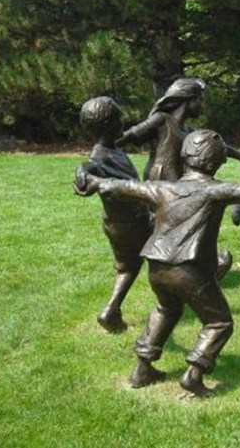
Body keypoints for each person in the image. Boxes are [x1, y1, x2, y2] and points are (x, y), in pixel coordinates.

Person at [74, 129, 240, 397]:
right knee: (219, 323)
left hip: (156, 265)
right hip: (187, 268)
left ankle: (142, 369)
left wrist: (91, 181)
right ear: (216, 162)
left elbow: (122, 186)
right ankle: (193, 375)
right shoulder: (215, 190)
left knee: (166, 309)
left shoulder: (163, 188)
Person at [117, 77, 240, 226]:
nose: (202, 107)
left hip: (180, 181)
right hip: (161, 181)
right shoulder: (161, 120)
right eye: (200, 100)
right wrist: (105, 144)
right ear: (188, 100)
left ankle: (238, 199)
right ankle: (237, 198)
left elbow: (217, 145)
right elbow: (131, 135)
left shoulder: (189, 131)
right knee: (171, 223)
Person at [75, 96, 153, 333]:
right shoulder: (100, 156)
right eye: (119, 117)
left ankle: (110, 311)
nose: (124, 120)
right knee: (174, 238)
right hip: (134, 221)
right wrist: (82, 170)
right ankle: (208, 270)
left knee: (128, 266)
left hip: (116, 224)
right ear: (110, 124)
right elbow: (90, 166)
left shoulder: (112, 148)